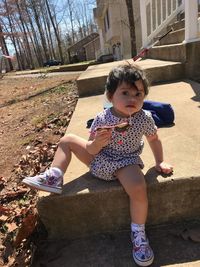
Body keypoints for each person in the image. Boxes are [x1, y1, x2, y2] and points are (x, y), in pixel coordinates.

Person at [22, 64, 173, 267]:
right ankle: (54, 176)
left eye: (138, 94)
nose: (132, 99)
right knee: (67, 140)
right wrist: (97, 143)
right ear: (110, 96)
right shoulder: (102, 118)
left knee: (138, 187)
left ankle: (138, 233)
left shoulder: (144, 118)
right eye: (125, 92)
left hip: (125, 163)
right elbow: (91, 150)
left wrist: (159, 161)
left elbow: (154, 140)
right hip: (98, 158)